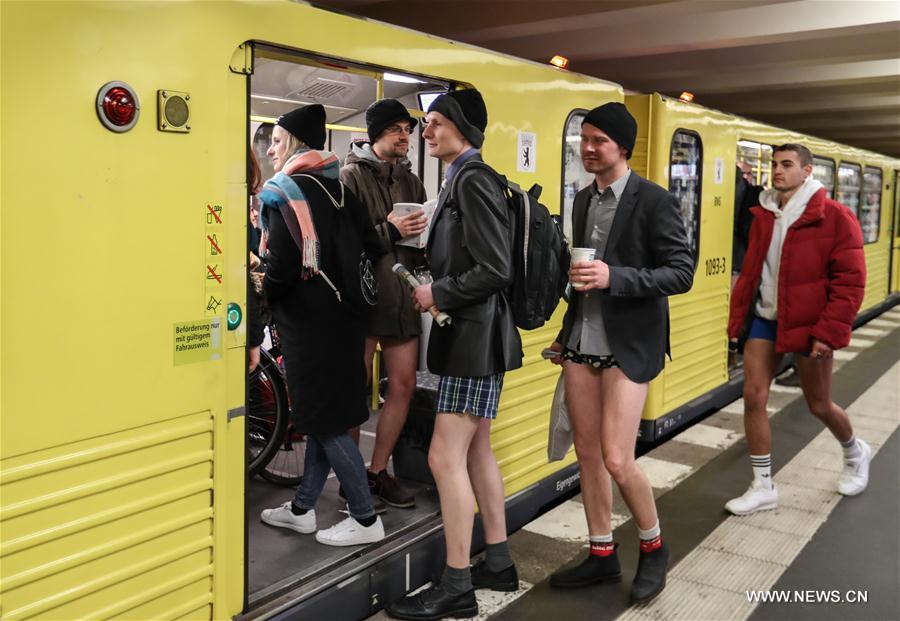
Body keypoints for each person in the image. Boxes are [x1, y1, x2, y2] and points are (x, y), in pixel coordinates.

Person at [545, 102, 693, 604]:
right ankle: (602, 554)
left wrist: (616, 277)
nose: (587, 148)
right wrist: (566, 334)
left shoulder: (654, 201)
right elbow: (583, 280)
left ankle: (654, 547)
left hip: (630, 345)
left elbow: (680, 272)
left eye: (598, 141)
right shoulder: (583, 200)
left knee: (615, 456)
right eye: (583, 139)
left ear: (622, 148)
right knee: (587, 454)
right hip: (585, 343)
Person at [386, 89, 523, 620]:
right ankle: (500, 562)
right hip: (476, 336)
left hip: (472, 338)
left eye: (437, 122)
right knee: (477, 452)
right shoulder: (461, 180)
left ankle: (457, 584)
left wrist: (437, 293)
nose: (426, 131)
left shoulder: (473, 179)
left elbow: (495, 268)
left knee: (446, 457)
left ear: (463, 129)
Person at [257, 104, 387, 546]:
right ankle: (302, 509)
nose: (271, 150)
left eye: (276, 141)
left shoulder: (284, 193)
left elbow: (282, 269)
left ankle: (366, 519)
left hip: (309, 326)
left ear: (293, 142)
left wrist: (262, 289)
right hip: (346, 319)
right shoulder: (340, 189)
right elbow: (372, 243)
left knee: (324, 421)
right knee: (323, 416)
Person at [726, 143, 869, 515]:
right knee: (754, 395)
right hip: (765, 319)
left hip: (809, 324)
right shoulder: (765, 214)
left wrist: (828, 332)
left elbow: (850, 281)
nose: (777, 170)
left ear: (807, 171)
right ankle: (762, 486)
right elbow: (754, 270)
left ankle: (855, 451)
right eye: (774, 164)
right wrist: (739, 313)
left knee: (819, 404)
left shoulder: (835, 216)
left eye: (786, 165)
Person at [341, 99, 429, 510]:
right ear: (376, 134)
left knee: (404, 386)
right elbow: (343, 244)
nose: (404, 136)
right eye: (396, 129)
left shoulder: (413, 183)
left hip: (402, 296)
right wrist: (389, 230)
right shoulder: (349, 177)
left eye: (408, 129)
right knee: (355, 393)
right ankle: (351, 476)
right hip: (362, 298)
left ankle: (378, 472)